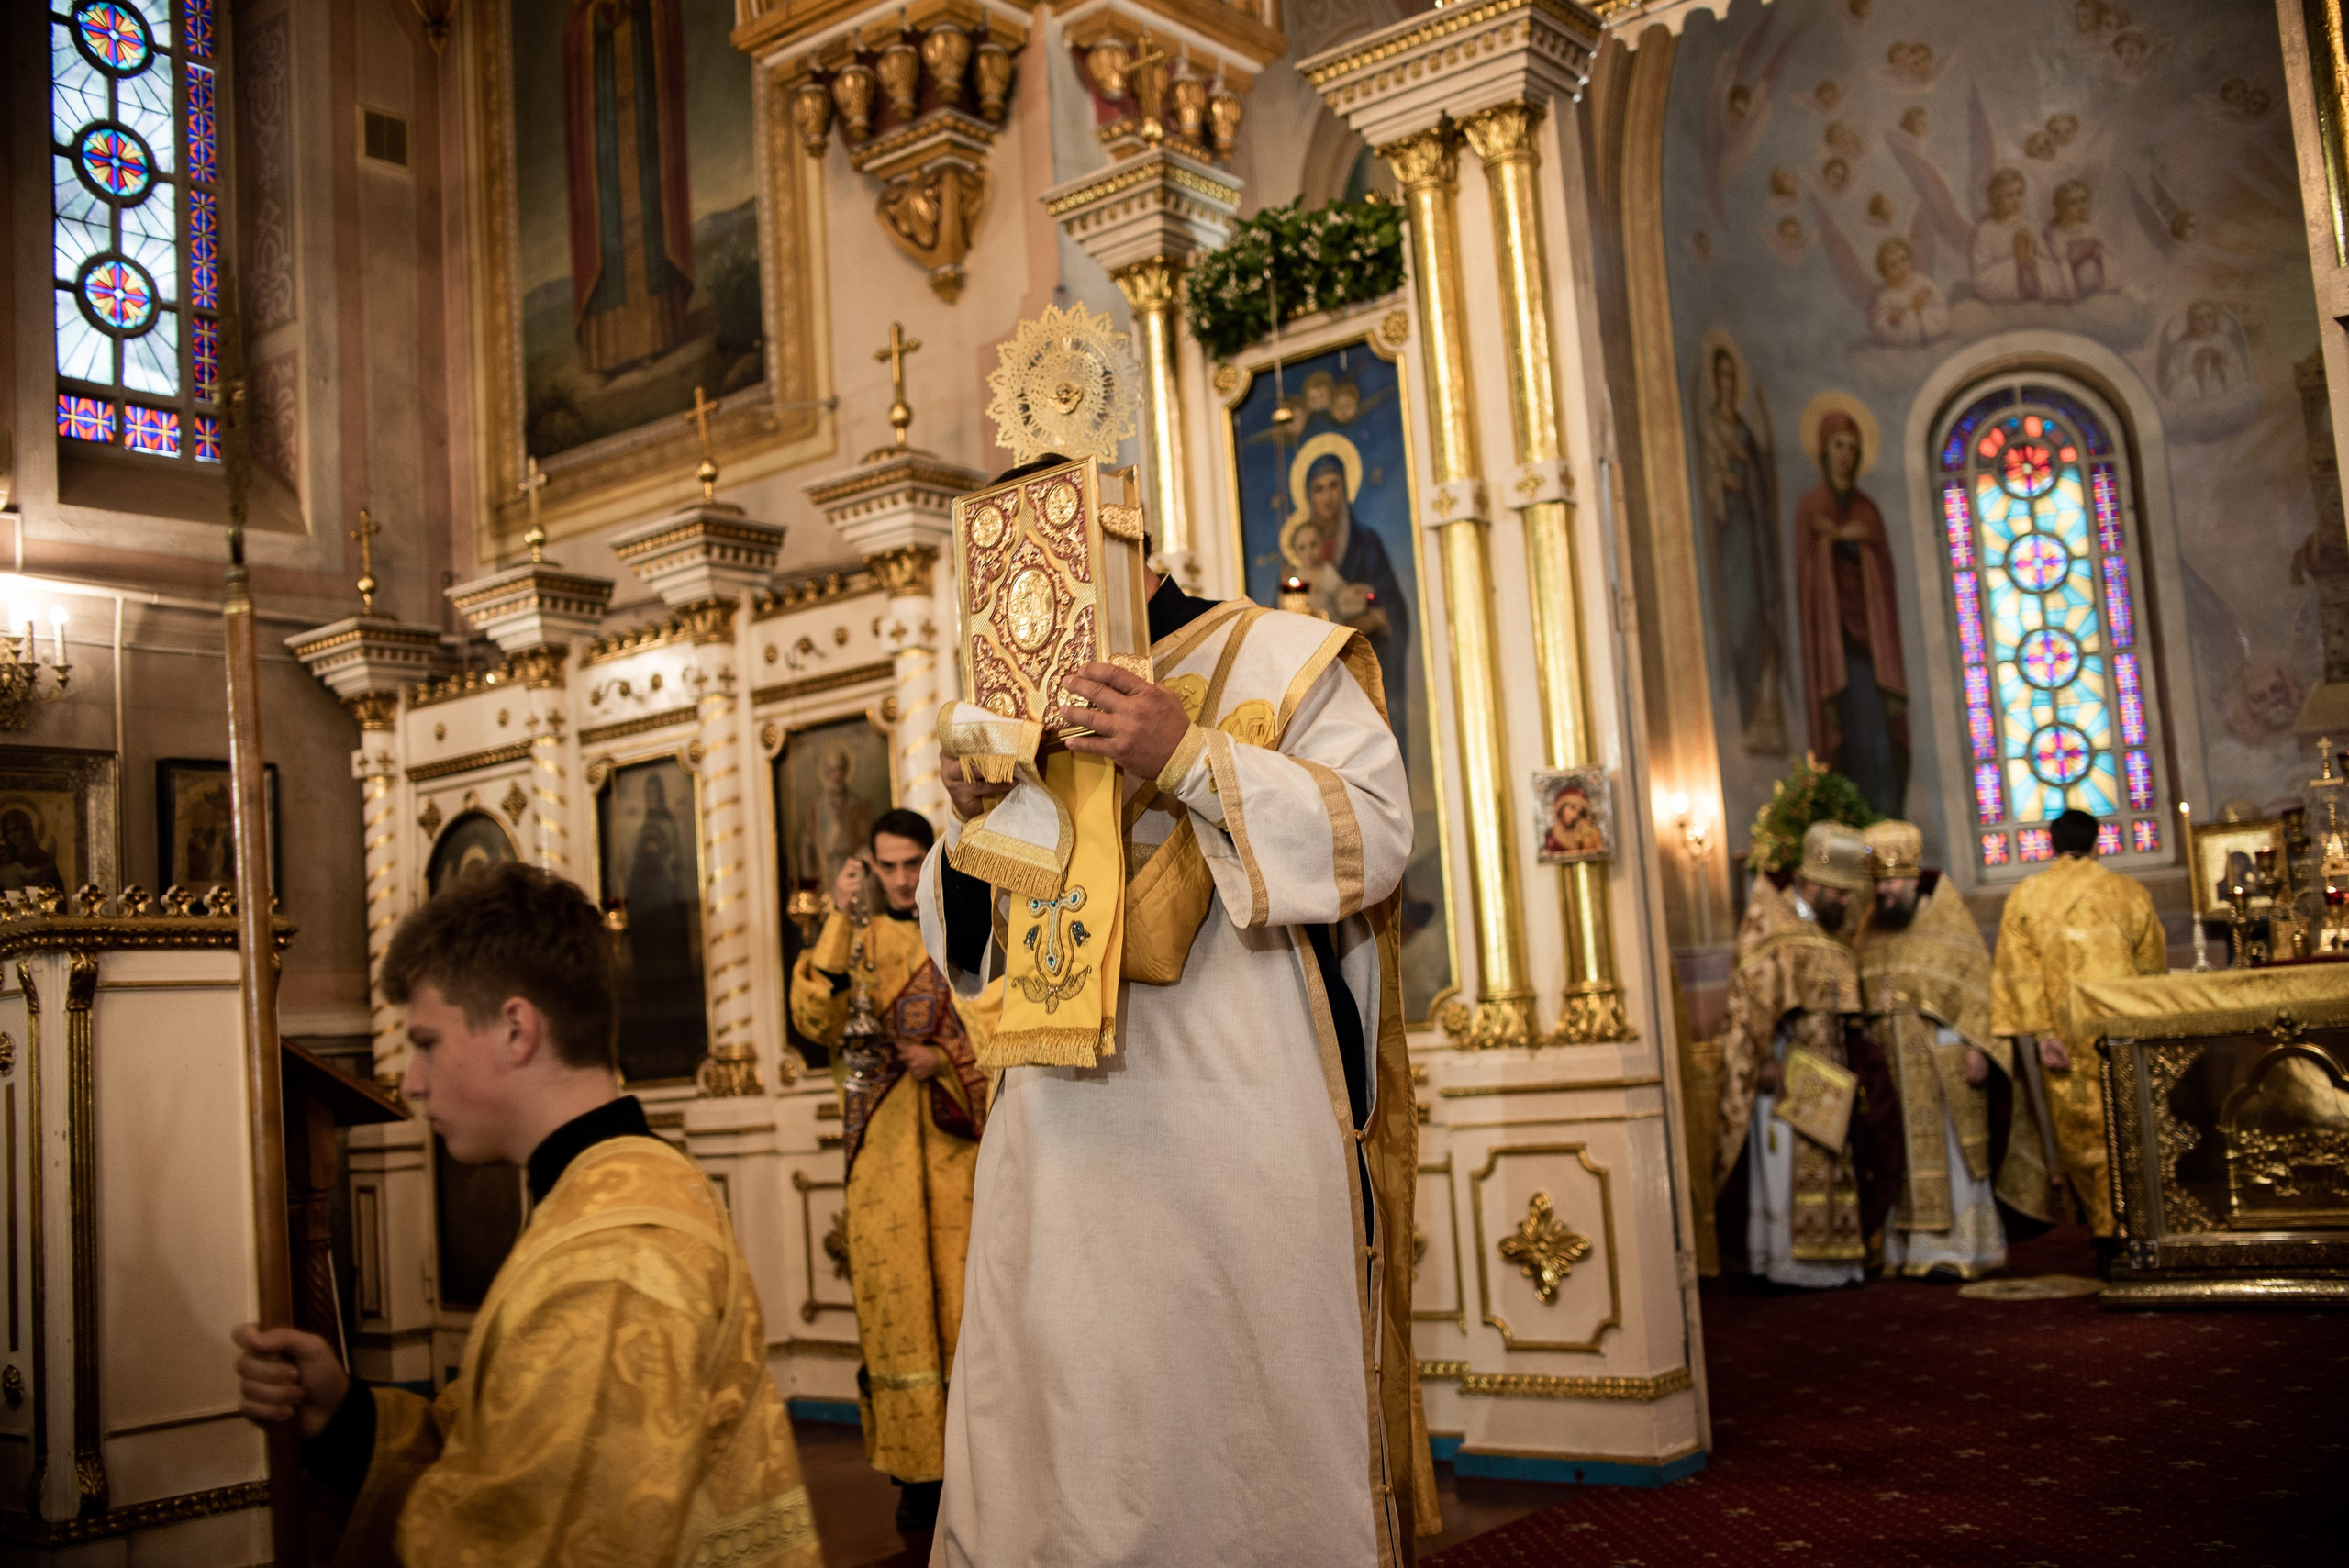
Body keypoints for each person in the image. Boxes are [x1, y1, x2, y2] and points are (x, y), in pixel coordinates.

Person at [921, 466, 1431, 1565]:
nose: (1027, 595)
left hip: (1229, 1129)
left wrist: (1186, 754)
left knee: (1221, 1429)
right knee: (1058, 1434)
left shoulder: (1274, 656)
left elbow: (1374, 836)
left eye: (1046, 556)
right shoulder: (1009, 711)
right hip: (1052, 1145)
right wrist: (967, 825)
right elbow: (971, 949)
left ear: (1122, 541)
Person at [231, 862, 818, 1566]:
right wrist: (346, 1417)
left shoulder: (613, 1259)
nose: (411, 1082)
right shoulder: (610, 1189)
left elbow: (530, 1540)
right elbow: (496, 1442)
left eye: (426, 1043)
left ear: (516, 1028)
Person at [788, 808, 988, 1534]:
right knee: (897, 1314)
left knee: (967, 1309)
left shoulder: (961, 928)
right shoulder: (857, 937)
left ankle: (978, 1464)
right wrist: (837, 919)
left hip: (957, 1155)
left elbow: (999, 1028)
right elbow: (814, 1019)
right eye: (889, 866)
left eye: (913, 863)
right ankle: (916, 1475)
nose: (903, 880)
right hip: (880, 1159)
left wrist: (946, 1060)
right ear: (870, 867)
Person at [1717, 822, 1900, 1288]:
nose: (1847, 901)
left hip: (1832, 1077)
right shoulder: (1769, 927)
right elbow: (1750, 1011)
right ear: (1813, 883)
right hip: (1787, 1078)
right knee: (1790, 1175)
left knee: (1835, 1166)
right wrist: (1763, 1061)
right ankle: (1787, 1263)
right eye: (1840, 892)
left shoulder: (1830, 933)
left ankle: (1834, 1262)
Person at [1991, 808, 2166, 1263]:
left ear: (2051, 844)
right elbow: (2152, 970)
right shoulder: (2129, 892)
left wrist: (2042, 1034)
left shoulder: (2027, 895)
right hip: (2123, 1033)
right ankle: (2128, 1227)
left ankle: (2104, 1232)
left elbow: (2019, 973)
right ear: (2097, 843)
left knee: (2082, 1135)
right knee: (2125, 1127)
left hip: (2063, 1038)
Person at [1855, 820, 2013, 1281]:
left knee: (1952, 1155)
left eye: (1891, 881)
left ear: (1913, 878)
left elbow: (1980, 991)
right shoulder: (1869, 931)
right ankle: (1905, 1250)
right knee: (1897, 1153)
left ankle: (1961, 1249)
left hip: (1943, 1063)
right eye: (1878, 882)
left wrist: (1980, 1048)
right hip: (1892, 1069)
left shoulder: (1948, 920)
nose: (1884, 891)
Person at [1792, 410, 1909, 818]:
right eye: (1838, 446)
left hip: (1870, 648)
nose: (1844, 455)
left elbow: (1882, 574)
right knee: (1847, 734)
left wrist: (1848, 540)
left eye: (1852, 449)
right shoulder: (1812, 507)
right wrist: (1831, 544)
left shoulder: (1867, 511)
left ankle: (1886, 816)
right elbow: (1808, 575)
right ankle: (1852, 820)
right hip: (1834, 646)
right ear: (1824, 451)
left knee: (1877, 737)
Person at [1970, 168, 2050, 302]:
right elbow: (1981, 273)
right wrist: (2017, 263)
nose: (2016, 200)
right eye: (2009, 195)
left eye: (2019, 193)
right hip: (1997, 282)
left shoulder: (2030, 225)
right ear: (1997, 198)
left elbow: (2046, 259)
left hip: (2030, 277)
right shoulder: (1986, 229)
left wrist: (2030, 260)